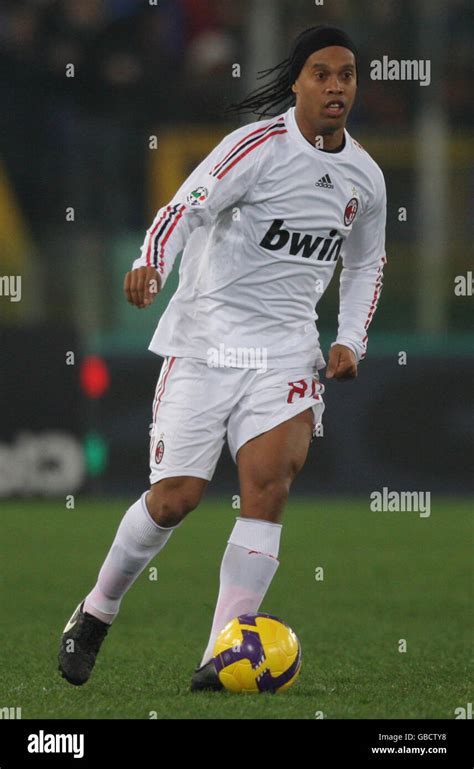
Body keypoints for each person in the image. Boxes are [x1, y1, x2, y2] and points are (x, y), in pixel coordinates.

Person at [58, 25, 387, 692]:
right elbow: (185, 210)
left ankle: (224, 651)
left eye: (346, 75)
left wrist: (351, 337)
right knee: (175, 499)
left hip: (287, 353)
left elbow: (366, 261)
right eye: (321, 73)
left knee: (268, 486)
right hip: (207, 344)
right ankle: (97, 609)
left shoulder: (367, 178)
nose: (335, 86)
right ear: (296, 82)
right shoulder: (256, 148)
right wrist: (151, 262)